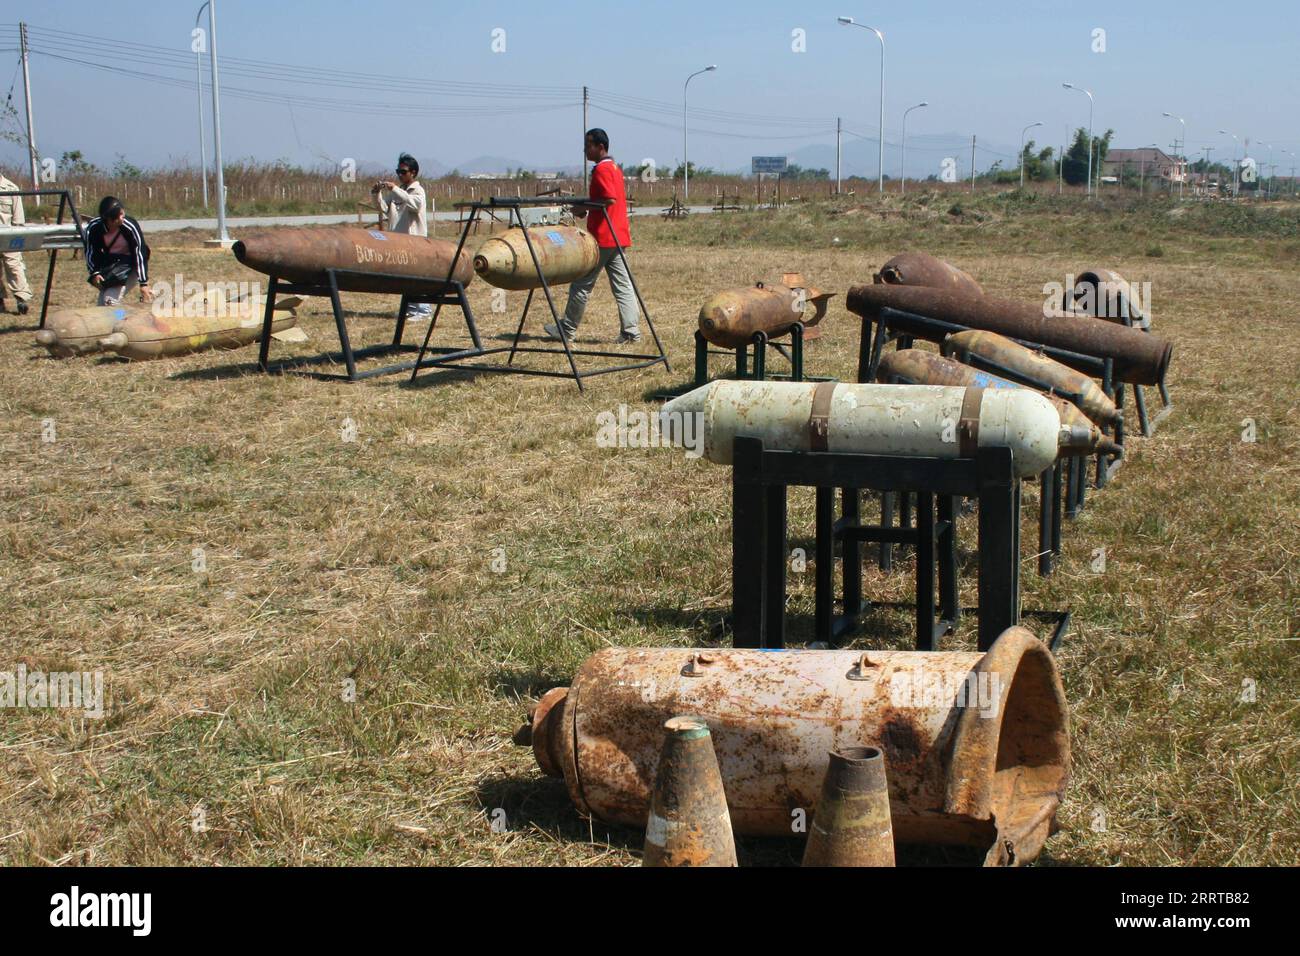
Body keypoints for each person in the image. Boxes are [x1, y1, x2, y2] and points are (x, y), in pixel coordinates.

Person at [546, 128, 640, 344]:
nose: (585, 149)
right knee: (623, 285)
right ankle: (631, 332)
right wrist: (586, 207)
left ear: (601, 147)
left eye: (589, 145)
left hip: (603, 237)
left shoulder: (602, 170)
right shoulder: (615, 167)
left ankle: (567, 330)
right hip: (618, 235)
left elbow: (608, 199)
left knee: (581, 283)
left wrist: (581, 207)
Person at [371, 153, 431, 320]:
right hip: (399, 240)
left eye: (403, 172)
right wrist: (376, 194)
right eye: (398, 171)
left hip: (414, 241)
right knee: (405, 276)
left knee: (418, 276)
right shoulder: (399, 191)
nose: (400, 175)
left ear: (413, 172)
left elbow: (414, 205)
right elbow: (383, 208)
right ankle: (411, 308)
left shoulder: (418, 191)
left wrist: (394, 189)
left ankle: (424, 310)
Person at [84, 196, 152, 306]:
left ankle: (123, 319)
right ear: (109, 220)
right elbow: (90, 252)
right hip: (111, 267)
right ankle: (122, 318)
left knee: (110, 301)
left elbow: (140, 253)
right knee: (102, 306)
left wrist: (143, 283)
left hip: (131, 265)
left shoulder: (130, 226)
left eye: (122, 213)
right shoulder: (94, 228)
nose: (122, 217)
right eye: (118, 216)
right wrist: (94, 272)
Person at [0, 173, 33, 316]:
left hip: (9, 235)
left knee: (14, 265)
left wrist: (18, 237)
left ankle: (21, 299)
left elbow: (18, 218)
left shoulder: (11, 188)